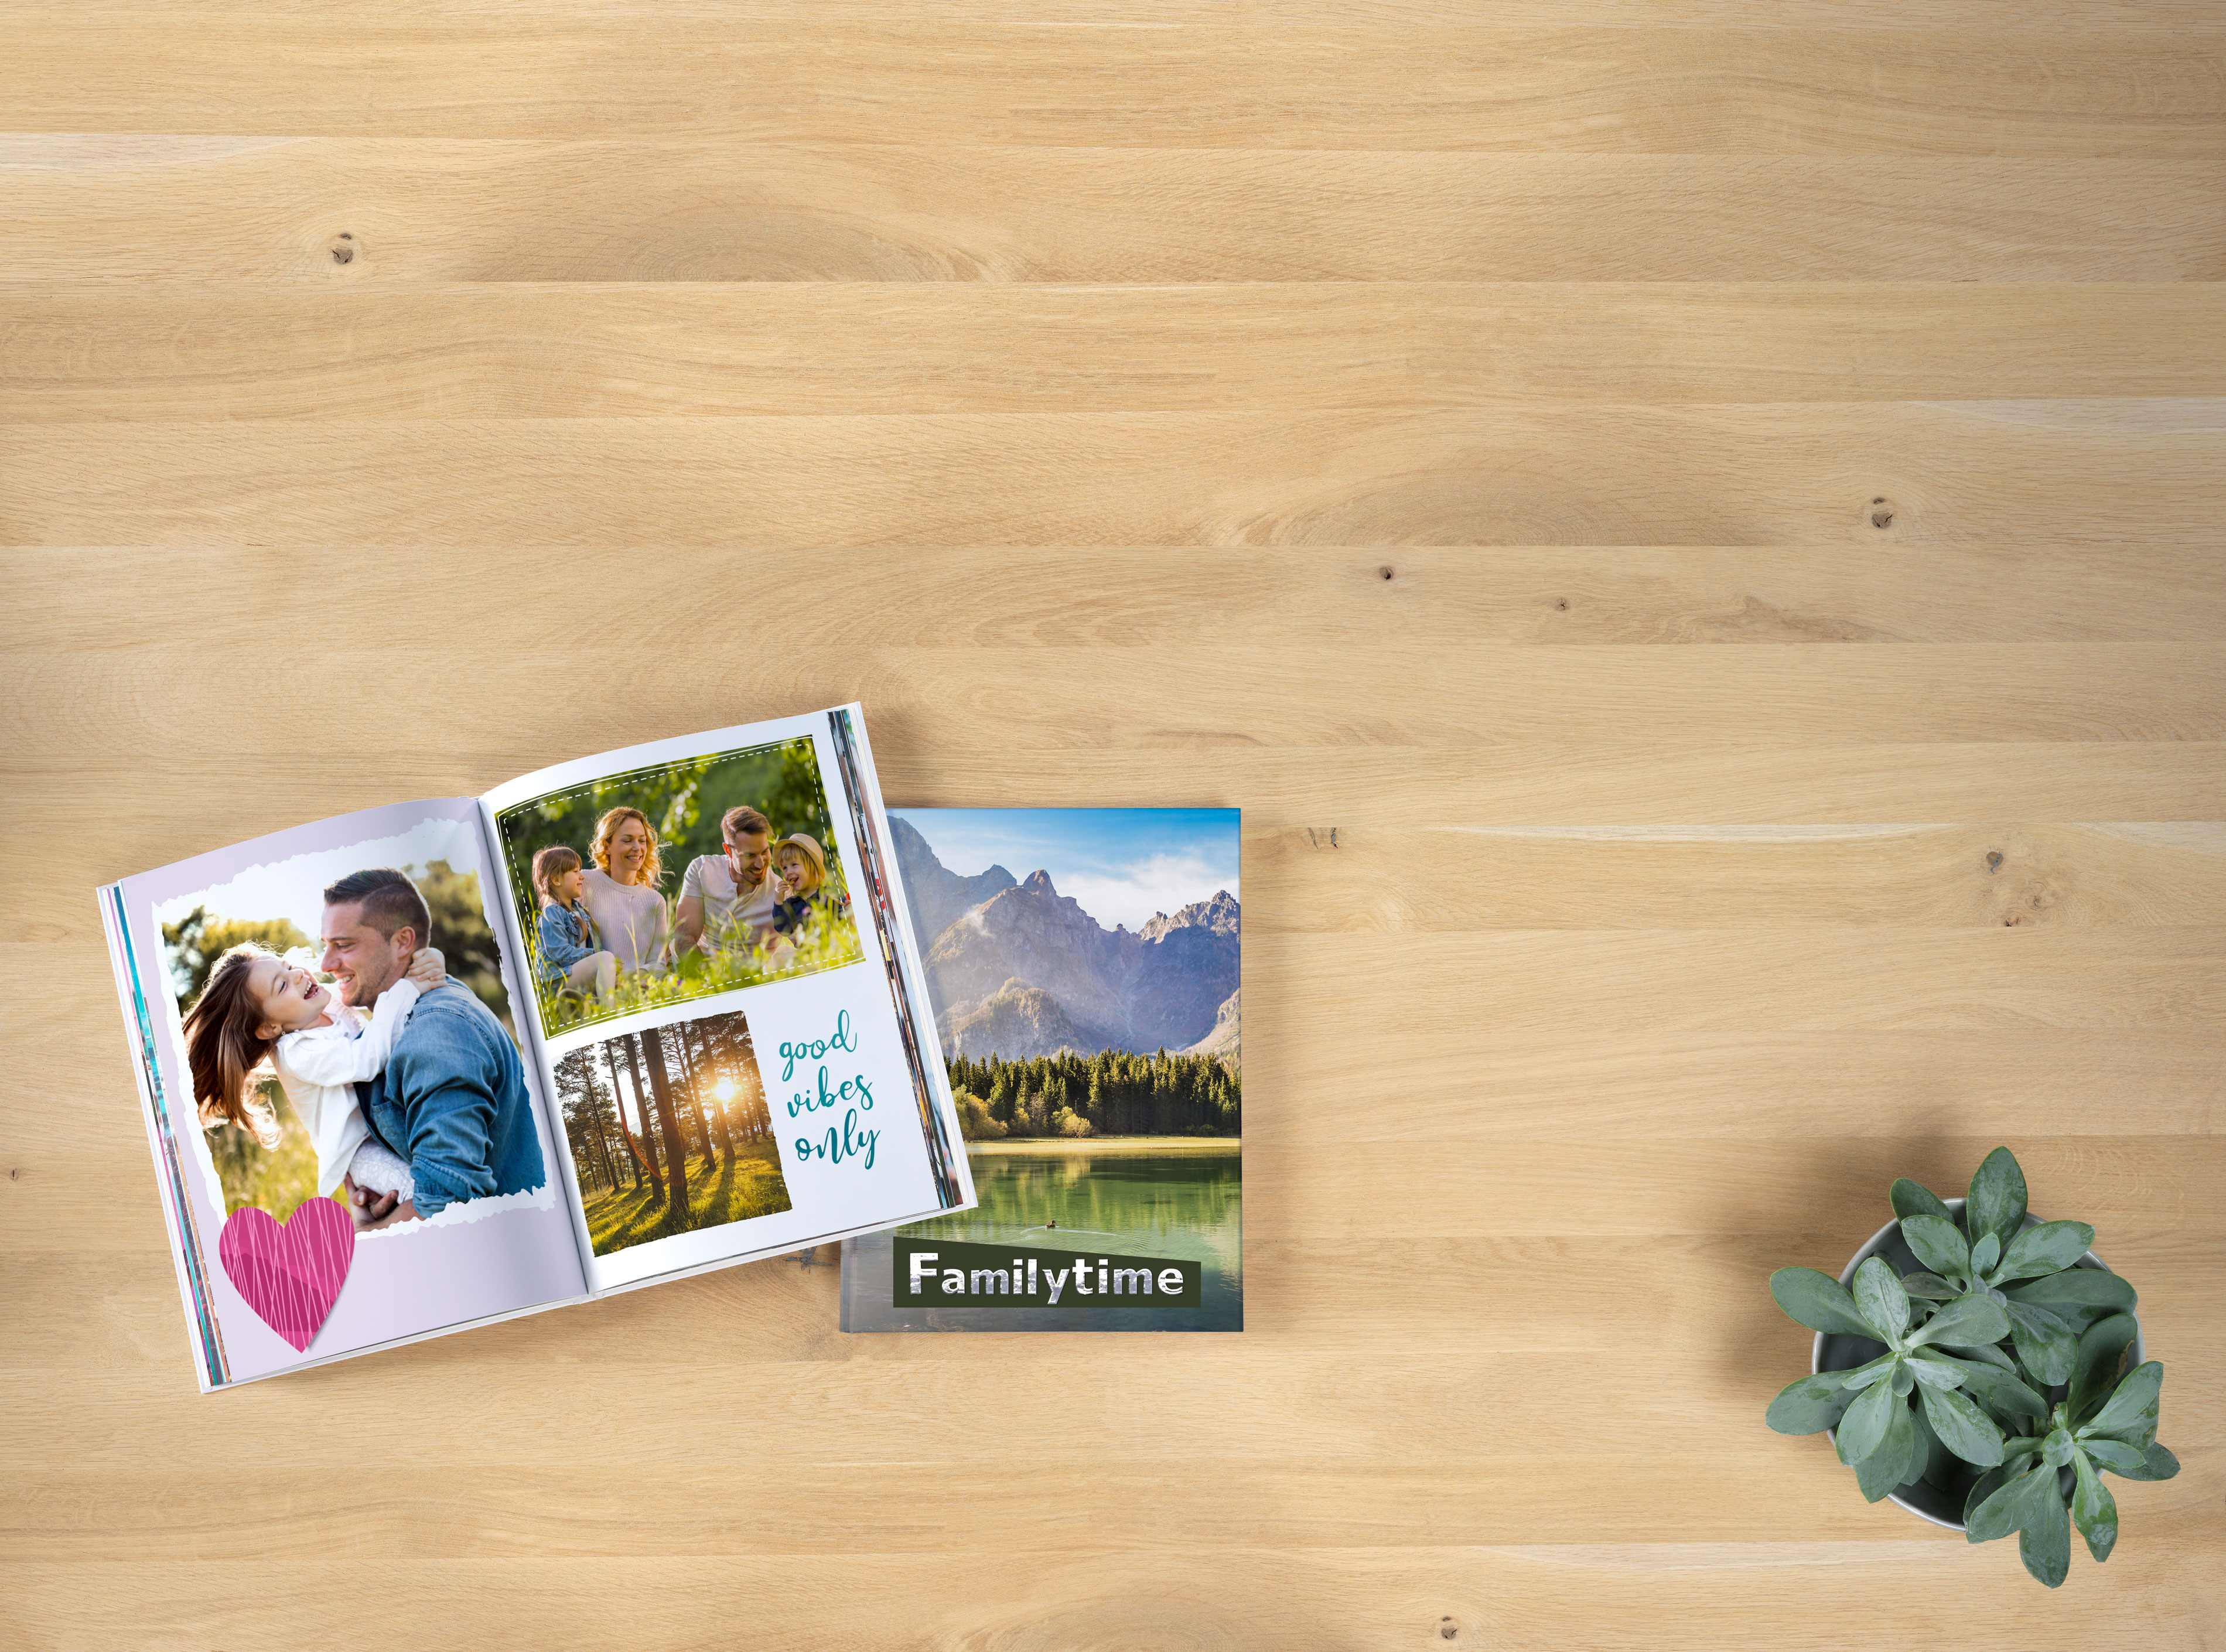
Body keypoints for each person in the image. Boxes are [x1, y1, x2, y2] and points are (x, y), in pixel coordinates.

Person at [320, 868, 545, 1229]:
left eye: (344, 946)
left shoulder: (437, 1032)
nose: (326, 964)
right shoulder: (399, 1020)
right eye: (326, 945)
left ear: (402, 942)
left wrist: (365, 1233)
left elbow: (450, 1206)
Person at [181, 940, 447, 1209]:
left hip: (387, 1118)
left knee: (441, 1156)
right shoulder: (297, 1052)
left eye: (288, 967)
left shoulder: (326, 1002)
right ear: (270, 1027)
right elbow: (366, 1058)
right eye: (282, 985)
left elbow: (380, 996)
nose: (297, 975)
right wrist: (410, 988)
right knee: (414, 1189)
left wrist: (426, 962)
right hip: (360, 1149)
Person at [674, 804, 780, 955]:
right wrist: (706, 978)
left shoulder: (780, 891)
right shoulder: (702, 870)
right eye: (750, 856)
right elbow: (684, 939)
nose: (760, 864)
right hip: (705, 967)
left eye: (765, 852)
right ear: (728, 850)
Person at [579, 806, 668, 970]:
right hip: (590, 989)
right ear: (607, 847)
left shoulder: (655, 902)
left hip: (636, 991)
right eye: (627, 841)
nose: (637, 848)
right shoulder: (585, 882)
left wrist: (633, 980)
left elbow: (659, 964)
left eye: (642, 841)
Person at [533, 845, 618, 1000]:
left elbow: (595, 947)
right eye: (575, 871)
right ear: (556, 880)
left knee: (619, 974)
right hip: (558, 980)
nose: (582, 876)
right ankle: (610, 1014)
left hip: (574, 977)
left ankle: (580, 1003)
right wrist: (597, 955)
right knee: (605, 958)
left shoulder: (580, 911)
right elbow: (560, 953)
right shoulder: (552, 913)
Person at [767, 832, 831, 937]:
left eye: (794, 865)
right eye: (785, 868)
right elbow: (784, 930)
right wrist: (779, 902)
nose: (789, 872)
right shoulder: (791, 904)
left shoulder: (828, 895)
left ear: (812, 867)